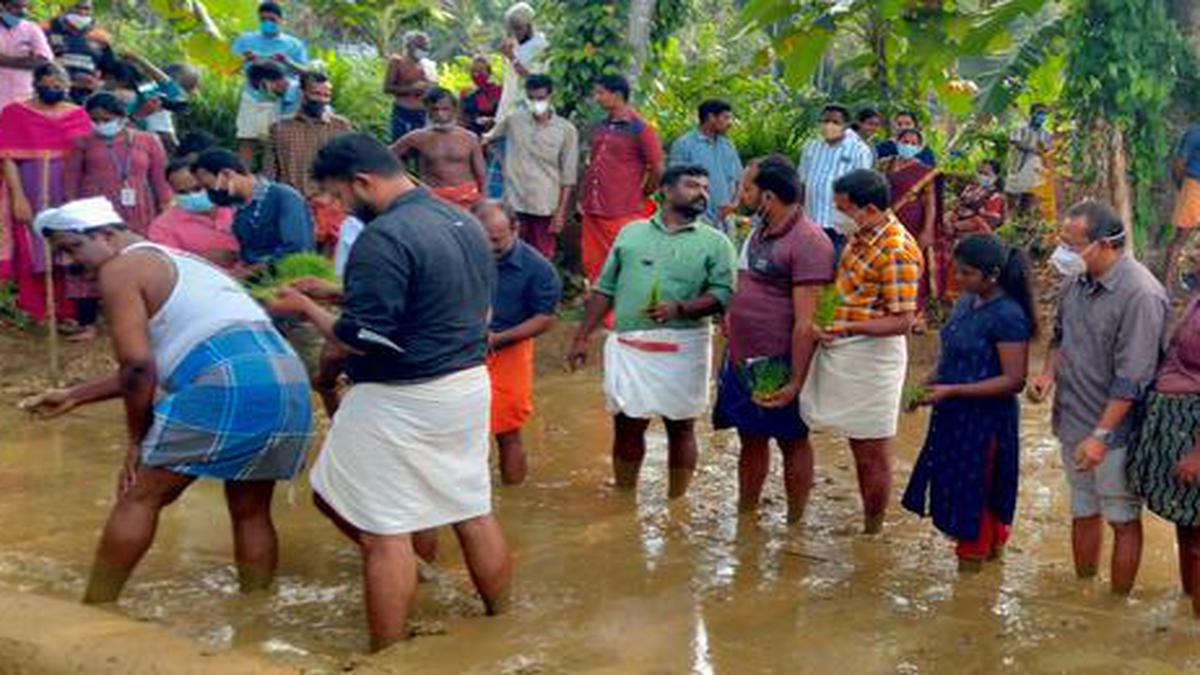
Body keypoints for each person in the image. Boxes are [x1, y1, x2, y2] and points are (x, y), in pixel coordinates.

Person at [268, 133, 511, 651]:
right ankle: (502, 626)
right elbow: (436, 294)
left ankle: (388, 657)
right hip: (467, 384)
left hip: (404, 393)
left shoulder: (383, 237)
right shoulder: (462, 221)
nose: (334, 208)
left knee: (383, 531)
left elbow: (363, 336)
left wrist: (308, 310)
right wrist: (335, 293)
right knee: (471, 508)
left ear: (362, 182)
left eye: (335, 195)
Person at [22, 196, 313, 605]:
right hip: (287, 378)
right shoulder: (178, 260)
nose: (69, 262)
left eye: (72, 248)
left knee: (140, 495)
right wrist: (75, 395)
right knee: (250, 509)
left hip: (228, 379)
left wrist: (137, 441)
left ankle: (96, 607)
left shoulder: (119, 268)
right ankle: (256, 617)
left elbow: (138, 368)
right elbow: (168, 359)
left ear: (107, 235)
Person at [568, 165, 736, 498]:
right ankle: (624, 498)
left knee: (682, 426)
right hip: (629, 344)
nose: (701, 192)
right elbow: (605, 288)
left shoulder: (716, 243)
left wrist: (680, 309)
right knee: (627, 423)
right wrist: (581, 336)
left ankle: (677, 502)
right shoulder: (631, 232)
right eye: (691, 185)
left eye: (705, 186)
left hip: (685, 344)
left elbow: (723, 295)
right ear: (666, 190)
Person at [1028, 200, 1168, 595]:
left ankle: (1116, 605)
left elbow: (1133, 378)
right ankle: (1083, 593)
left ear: (1105, 244)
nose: (1063, 253)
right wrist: (1046, 375)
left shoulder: (1140, 295)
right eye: (1063, 242)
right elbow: (1061, 338)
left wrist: (1101, 435)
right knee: (1082, 508)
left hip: (1115, 433)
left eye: (1072, 245)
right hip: (1072, 420)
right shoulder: (1076, 281)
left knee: (1122, 517)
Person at [902, 234, 1037, 572]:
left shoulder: (1008, 315)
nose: (957, 279)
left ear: (991, 275)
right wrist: (925, 386)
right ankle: (985, 562)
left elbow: (1013, 380)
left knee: (976, 492)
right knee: (957, 486)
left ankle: (973, 578)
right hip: (953, 417)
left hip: (985, 422)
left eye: (966, 274)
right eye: (957, 271)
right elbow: (951, 358)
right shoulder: (965, 302)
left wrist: (953, 391)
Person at [799, 169, 923, 534]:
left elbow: (902, 321)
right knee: (853, 443)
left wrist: (848, 327)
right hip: (843, 347)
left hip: (872, 359)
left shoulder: (897, 249)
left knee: (871, 452)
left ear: (868, 208)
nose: (838, 215)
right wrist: (825, 319)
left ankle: (873, 528)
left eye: (843, 208)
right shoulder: (859, 235)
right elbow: (844, 288)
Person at [713, 156, 834, 523]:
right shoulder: (760, 229)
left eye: (747, 188)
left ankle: (795, 521)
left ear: (767, 196)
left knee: (792, 440)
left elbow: (807, 322)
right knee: (749, 437)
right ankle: (746, 516)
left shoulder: (809, 241)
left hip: (780, 362)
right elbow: (746, 280)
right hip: (742, 358)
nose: (741, 194)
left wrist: (796, 380)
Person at [1128, 249, 1200, 616]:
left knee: (1198, 532)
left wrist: (1197, 454)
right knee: (1186, 527)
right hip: (1175, 422)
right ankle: (1187, 612)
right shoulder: (1196, 298)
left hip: (1193, 430)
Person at [474, 200, 561, 485]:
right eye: (481, 239)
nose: (488, 247)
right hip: (458, 347)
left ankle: (513, 499)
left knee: (507, 430)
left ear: (515, 229)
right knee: (456, 431)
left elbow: (544, 319)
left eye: (497, 240)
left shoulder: (539, 269)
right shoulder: (459, 254)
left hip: (509, 348)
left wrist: (498, 339)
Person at [0, 62, 92, 322]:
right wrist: (18, 197)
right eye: (47, 85)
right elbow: (7, 157)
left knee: (69, 242)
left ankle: (72, 308)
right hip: (31, 185)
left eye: (59, 86)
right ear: (35, 85)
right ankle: (37, 307)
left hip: (68, 187)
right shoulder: (14, 113)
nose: (53, 89)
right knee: (35, 243)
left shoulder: (79, 114)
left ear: (68, 86)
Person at [579, 74, 664, 281]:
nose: (597, 98)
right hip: (593, 207)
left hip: (622, 210)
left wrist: (642, 193)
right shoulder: (602, 125)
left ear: (617, 95)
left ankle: (622, 309)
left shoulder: (641, 129)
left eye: (601, 93)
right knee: (594, 263)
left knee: (623, 262)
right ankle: (601, 308)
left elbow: (658, 168)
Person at [484, 73, 578, 260]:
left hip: (545, 206)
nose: (536, 103)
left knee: (542, 257)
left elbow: (568, 177)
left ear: (550, 96)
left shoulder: (566, 130)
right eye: (532, 98)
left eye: (541, 98)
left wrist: (560, 213)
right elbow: (487, 141)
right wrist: (502, 163)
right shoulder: (514, 121)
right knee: (511, 254)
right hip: (514, 204)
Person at [263, 71, 352, 251]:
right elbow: (270, 173)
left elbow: (349, 168)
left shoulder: (340, 127)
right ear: (302, 93)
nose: (321, 99)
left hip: (330, 205)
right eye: (316, 94)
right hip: (292, 205)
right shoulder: (280, 128)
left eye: (326, 95)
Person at [67, 91, 172, 235]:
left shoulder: (149, 140)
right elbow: (71, 179)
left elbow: (160, 179)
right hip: (95, 207)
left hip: (138, 205)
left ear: (121, 117)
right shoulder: (83, 142)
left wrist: (165, 207)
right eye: (95, 120)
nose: (100, 124)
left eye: (106, 119)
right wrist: (72, 210)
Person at [192, 148, 314, 271]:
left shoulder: (284, 197)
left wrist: (250, 272)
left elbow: (297, 249)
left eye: (208, 186)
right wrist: (234, 257)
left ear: (227, 174)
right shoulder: (241, 210)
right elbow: (253, 253)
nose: (209, 193)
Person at [231, 1, 308, 166]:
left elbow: (305, 72)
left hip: (280, 100)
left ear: (281, 20)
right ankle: (242, 178)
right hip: (252, 96)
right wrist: (244, 59)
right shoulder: (246, 40)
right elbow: (229, 67)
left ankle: (273, 179)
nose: (268, 23)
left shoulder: (294, 44)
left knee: (274, 143)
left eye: (272, 19)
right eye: (263, 19)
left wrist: (287, 61)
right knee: (247, 139)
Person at [391, 87, 487, 210]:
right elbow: (386, 156)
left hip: (467, 199)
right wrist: (408, 181)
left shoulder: (469, 138)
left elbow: (482, 175)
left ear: (454, 110)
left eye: (445, 109)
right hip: (434, 199)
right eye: (434, 110)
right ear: (428, 111)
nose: (440, 114)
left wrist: (483, 201)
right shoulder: (417, 137)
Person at [881, 128, 941, 314]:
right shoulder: (884, 165)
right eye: (905, 141)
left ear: (920, 146)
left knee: (912, 262)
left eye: (914, 143)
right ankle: (887, 305)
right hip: (885, 222)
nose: (908, 145)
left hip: (913, 222)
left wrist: (927, 229)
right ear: (897, 142)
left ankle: (915, 312)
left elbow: (931, 202)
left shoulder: (925, 171)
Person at [798, 104, 874, 248]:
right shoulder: (811, 147)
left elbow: (863, 190)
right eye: (825, 121)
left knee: (837, 266)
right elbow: (802, 182)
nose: (828, 126)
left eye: (835, 122)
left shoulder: (859, 150)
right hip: (811, 222)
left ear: (846, 125)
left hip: (840, 227)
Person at [147, 157, 239, 267]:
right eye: (183, 192)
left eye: (197, 188)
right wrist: (203, 260)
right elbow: (170, 267)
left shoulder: (238, 209)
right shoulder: (162, 227)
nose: (192, 196)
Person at [668, 99, 743, 229]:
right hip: (696, 218)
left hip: (726, 218)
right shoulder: (684, 145)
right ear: (711, 117)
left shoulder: (728, 146)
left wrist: (734, 204)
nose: (730, 123)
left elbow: (739, 179)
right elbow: (674, 183)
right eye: (726, 118)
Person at [944, 159, 1006, 299]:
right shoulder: (970, 188)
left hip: (974, 239)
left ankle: (960, 298)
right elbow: (957, 207)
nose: (982, 176)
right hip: (954, 232)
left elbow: (987, 222)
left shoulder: (996, 197)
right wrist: (948, 219)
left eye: (986, 173)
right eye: (980, 172)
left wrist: (957, 225)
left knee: (963, 267)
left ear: (995, 176)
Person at [44, 0, 116, 105]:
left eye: (86, 8)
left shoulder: (101, 37)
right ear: (64, 8)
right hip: (50, 92)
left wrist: (97, 85)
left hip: (84, 98)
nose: (81, 12)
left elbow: (109, 71)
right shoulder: (47, 29)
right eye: (77, 7)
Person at [495, 1, 548, 125]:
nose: (515, 33)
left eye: (518, 28)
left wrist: (512, 57)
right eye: (512, 29)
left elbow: (535, 79)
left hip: (529, 109)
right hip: (509, 109)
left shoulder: (540, 46)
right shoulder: (515, 45)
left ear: (529, 26)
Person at [1164, 122, 1200, 296]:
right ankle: (1168, 285)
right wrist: (1183, 186)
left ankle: (1194, 279)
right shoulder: (1195, 132)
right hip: (1195, 185)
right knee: (1181, 236)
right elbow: (1179, 164)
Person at [385, 30, 437, 142]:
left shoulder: (425, 65)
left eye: (425, 46)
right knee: (401, 145)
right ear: (409, 45)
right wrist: (411, 89)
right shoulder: (397, 61)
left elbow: (431, 87)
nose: (423, 49)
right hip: (403, 112)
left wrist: (430, 87)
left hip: (422, 113)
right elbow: (387, 88)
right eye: (420, 46)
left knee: (421, 147)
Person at [0, 0, 52, 109]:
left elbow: (44, 60)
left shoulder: (32, 29)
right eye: (16, 6)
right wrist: (26, 60)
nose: (22, 11)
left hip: (23, 96)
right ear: (3, 5)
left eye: (25, 7)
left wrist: (4, 60)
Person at [1005, 103, 1052, 220]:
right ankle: (1008, 222)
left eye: (1045, 114)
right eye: (1040, 113)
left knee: (1028, 199)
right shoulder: (1020, 129)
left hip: (1035, 171)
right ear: (1032, 114)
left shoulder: (1046, 134)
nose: (1042, 116)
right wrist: (1034, 149)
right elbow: (1016, 143)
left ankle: (1021, 224)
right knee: (1011, 199)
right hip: (1018, 167)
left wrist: (1043, 151)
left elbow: (1046, 150)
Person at [459, 55, 501, 136]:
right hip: (472, 135)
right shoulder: (466, 93)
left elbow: (504, 115)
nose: (477, 74)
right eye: (474, 71)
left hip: (494, 135)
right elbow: (460, 117)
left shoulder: (498, 91)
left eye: (481, 70)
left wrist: (491, 120)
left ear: (489, 72)